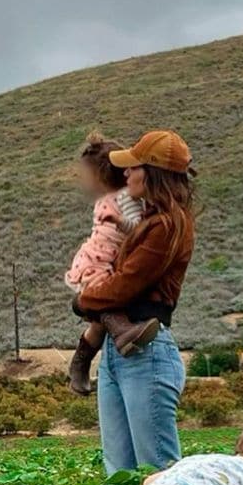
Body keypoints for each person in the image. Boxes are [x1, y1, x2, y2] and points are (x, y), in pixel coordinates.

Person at [74, 130, 196, 474]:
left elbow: (124, 287)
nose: (125, 175)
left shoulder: (168, 226)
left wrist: (84, 301)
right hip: (120, 350)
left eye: (133, 168)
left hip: (147, 351)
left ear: (154, 172)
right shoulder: (149, 221)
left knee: (157, 472)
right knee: (120, 474)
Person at [66, 134, 161, 395]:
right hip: (99, 261)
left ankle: (80, 365)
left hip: (102, 260)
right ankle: (123, 334)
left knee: (98, 322)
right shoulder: (114, 199)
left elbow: (135, 229)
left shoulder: (125, 199)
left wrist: (119, 223)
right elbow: (135, 231)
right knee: (104, 308)